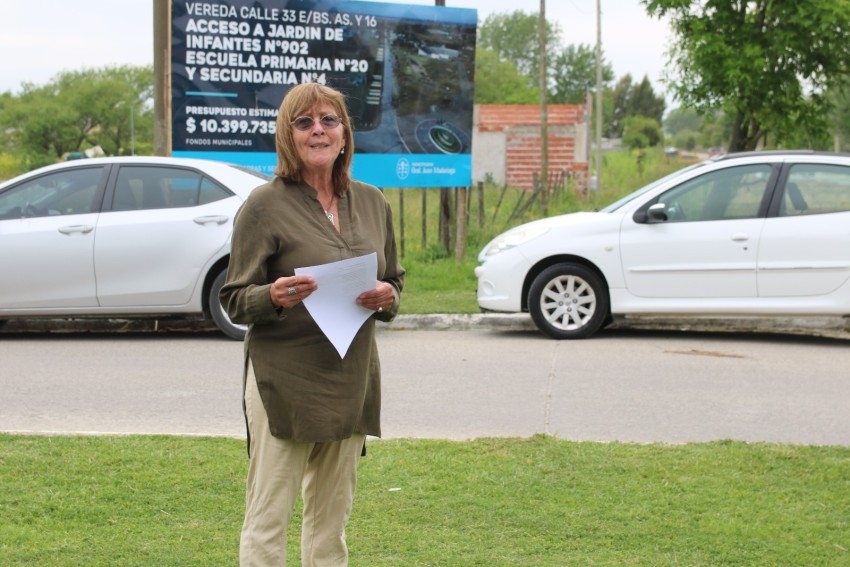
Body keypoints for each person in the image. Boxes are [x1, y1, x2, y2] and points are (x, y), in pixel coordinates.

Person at [220, 82, 405, 567]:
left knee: (331, 526)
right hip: (283, 381)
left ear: (344, 133)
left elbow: (393, 282)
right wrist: (272, 295)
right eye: (304, 122)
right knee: (267, 521)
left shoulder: (372, 202)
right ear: (288, 135)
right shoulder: (264, 205)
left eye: (329, 120)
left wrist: (388, 296)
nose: (318, 130)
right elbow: (234, 299)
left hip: (350, 379)